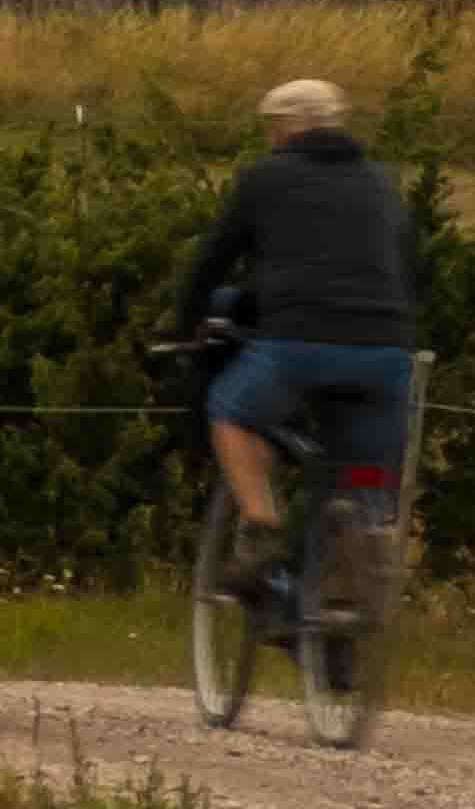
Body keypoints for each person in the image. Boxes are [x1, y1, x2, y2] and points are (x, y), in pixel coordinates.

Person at [169, 75, 413, 595]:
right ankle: (357, 567)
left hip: (297, 346)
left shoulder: (265, 179)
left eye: (271, 128)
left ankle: (261, 528)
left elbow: (212, 262)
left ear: (287, 127)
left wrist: (185, 324)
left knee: (231, 413)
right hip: (385, 352)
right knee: (363, 473)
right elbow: (407, 264)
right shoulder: (379, 181)